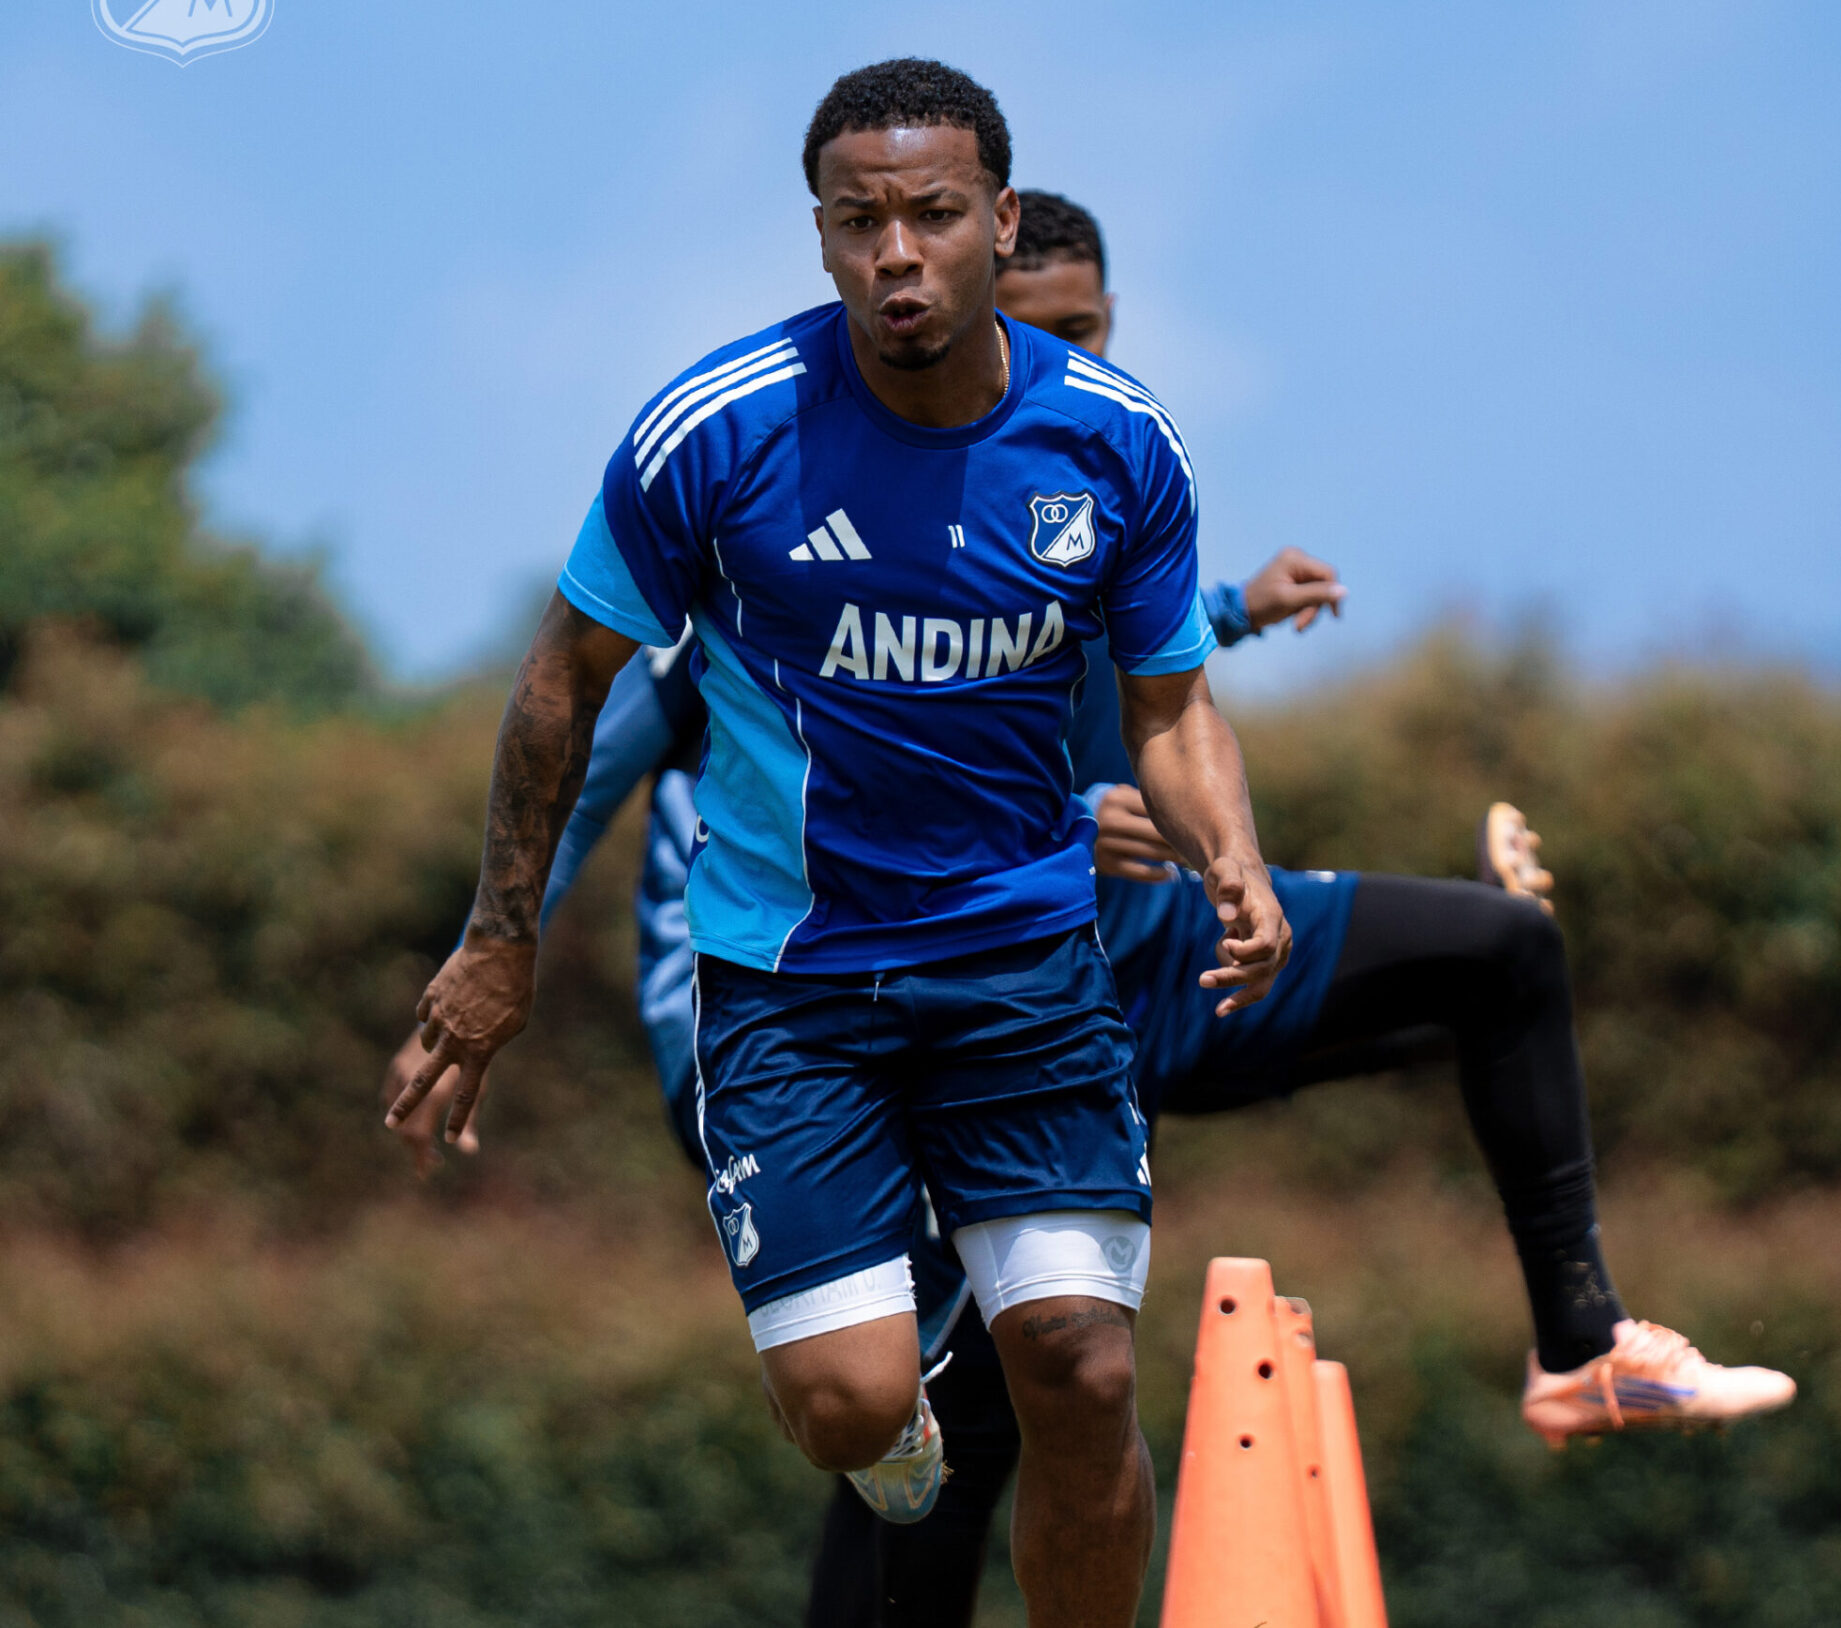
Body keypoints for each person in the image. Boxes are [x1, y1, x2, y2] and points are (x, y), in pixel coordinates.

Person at [383, 61, 1289, 1628]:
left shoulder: (1116, 441)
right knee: (848, 1408)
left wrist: (1238, 860)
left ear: (999, 219)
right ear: (820, 237)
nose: (897, 253)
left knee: (1080, 1369)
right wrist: (497, 942)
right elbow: (563, 684)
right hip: (792, 992)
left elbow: (1170, 705)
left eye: (933, 214)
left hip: (1024, 971)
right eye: (859, 222)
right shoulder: (717, 432)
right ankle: (890, 1433)